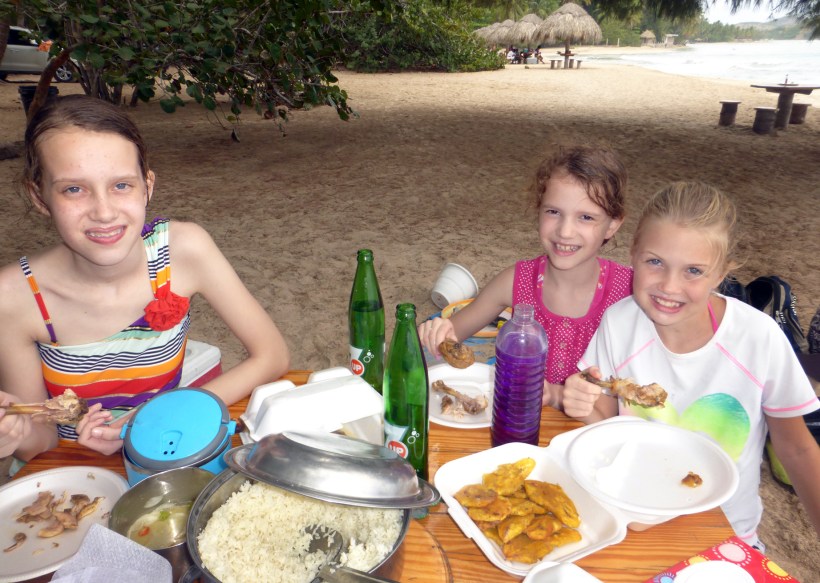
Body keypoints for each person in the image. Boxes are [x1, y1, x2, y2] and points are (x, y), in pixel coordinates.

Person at [0, 95, 290, 461]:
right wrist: (16, 432)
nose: (104, 212)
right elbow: (40, 443)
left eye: (121, 185)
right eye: (74, 189)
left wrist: (160, 412)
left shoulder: (184, 250)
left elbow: (272, 354)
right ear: (39, 196)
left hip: (167, 446)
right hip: (73, 467)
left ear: (147, 186)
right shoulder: (13, 297)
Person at [563, 181, 820, 548]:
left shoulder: (758, 339)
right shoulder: (619, 322)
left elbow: (796, 449)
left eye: (694, 271)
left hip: (723, 535)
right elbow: (606, 422)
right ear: (633, 254)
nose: (669, 286)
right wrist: (583, 404)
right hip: (631, 516)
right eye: (655, 262)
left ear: (721, 273)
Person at [418, 144, 632, 410]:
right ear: (538, 209)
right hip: (519, 425)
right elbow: (450, 336)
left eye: (586, 217)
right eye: (553, 212)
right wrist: (437, 333)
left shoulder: (630, 292)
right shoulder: (517, 281)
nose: (565, 232)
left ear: (612, 224)